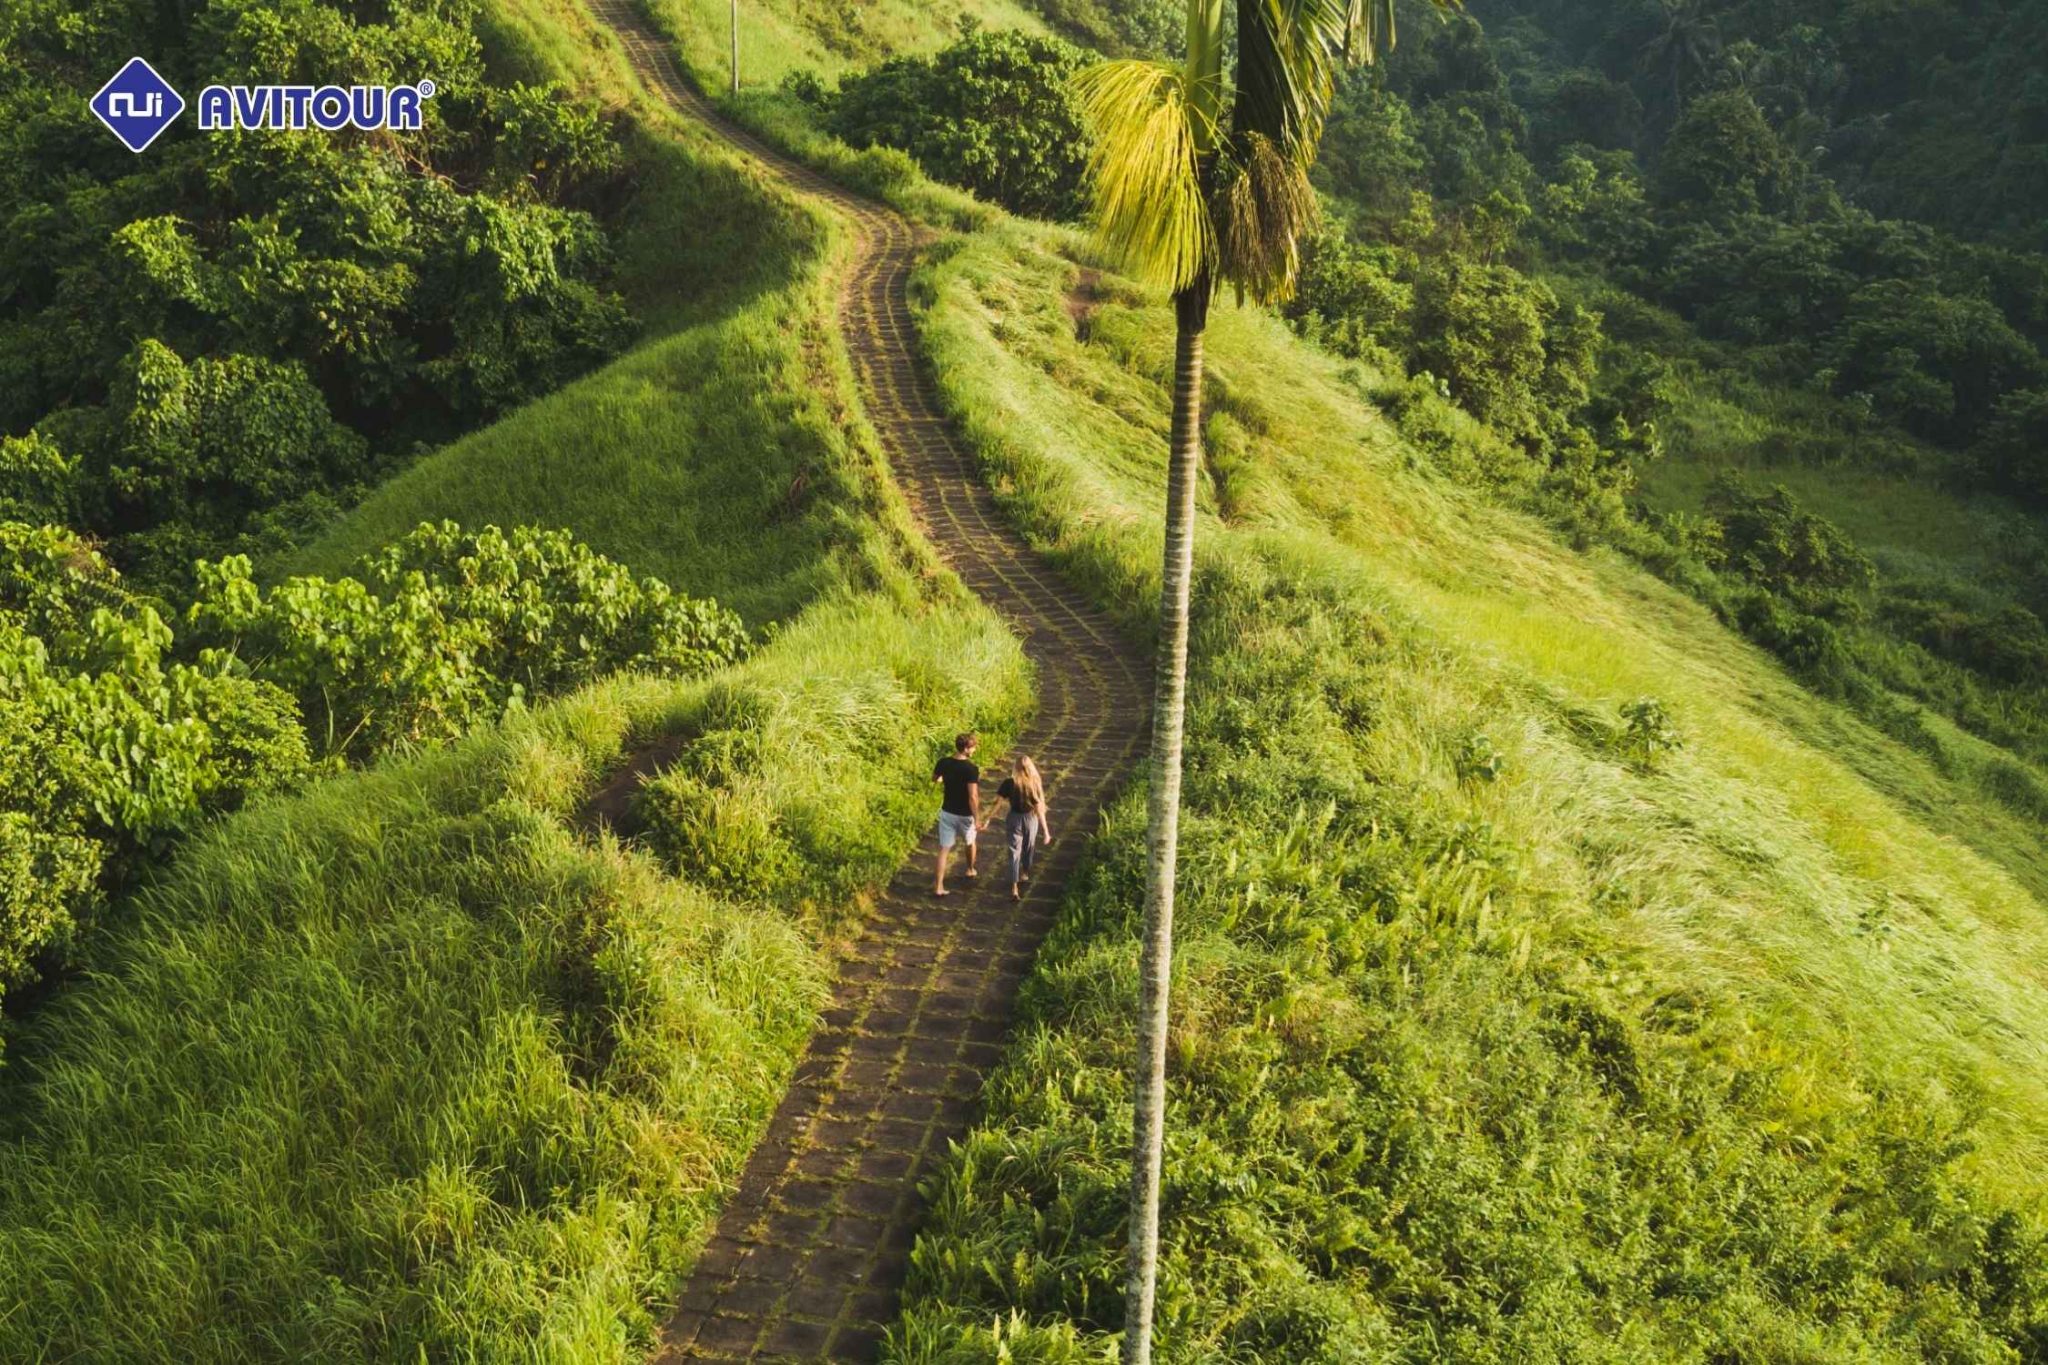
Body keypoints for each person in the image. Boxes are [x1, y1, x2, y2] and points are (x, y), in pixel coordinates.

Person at [985, 754, 1051, 901]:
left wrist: (988, 818)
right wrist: (1046, 831)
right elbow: (1039, 808)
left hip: (1014, 818)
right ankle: (1025, 872)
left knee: (1014, 852)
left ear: (1015, 767)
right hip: (1030, 818)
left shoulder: (1009, 783)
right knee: (1028, 847)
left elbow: (998, 803)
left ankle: (1014, 887)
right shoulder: (1034, 783)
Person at [931, 732, 981, 896]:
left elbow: (935, 778)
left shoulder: (943, 762)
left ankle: (938, 887)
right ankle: (970, 869)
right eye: (973, 747)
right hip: (965, 814)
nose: (974, 750)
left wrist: (943, 779)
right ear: (966, 748)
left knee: (944, 850)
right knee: (970, 842)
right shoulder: (971, 769)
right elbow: (972, 796)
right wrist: (977, 818)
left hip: (947, 811)